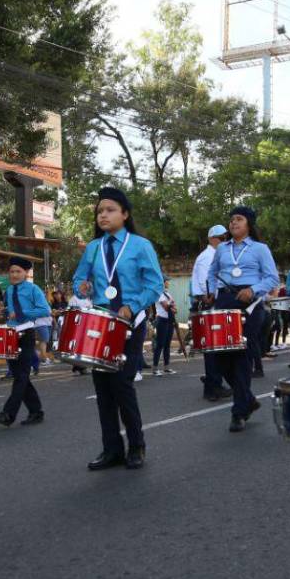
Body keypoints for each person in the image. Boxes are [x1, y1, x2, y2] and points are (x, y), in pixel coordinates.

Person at [73, 186, 164, 470]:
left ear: (125, 214)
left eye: (110, 210)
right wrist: (82, 286)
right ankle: (111, 449)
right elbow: (79, 279)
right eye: (100, 211)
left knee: (122, 385)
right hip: (101, 322)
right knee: (102, 389)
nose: (103, 215)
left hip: (129, 322)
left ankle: (136, 446)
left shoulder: (140, 245)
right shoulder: (93, 247)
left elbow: (155, 284)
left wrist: (133, 305)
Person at [207, 206, 280, 432]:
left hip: (250, 304)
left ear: (249, 224)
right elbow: (212, 272)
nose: (233, 223)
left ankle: (239, 412)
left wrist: (254, 289)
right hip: (225, 301)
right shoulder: (221, 249)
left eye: (238, 219)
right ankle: (247, 398)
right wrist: (210, 291)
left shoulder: (260, 249)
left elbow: (272, 278)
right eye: (231, 220)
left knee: (241, 355)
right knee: (220, 356)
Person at [0, 256, 50, 427]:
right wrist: (3, 311)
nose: (15, 275)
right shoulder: (9, 291)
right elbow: (10, 310)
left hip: (26, 334)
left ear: (26, 273)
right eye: (12, 271)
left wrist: (21, 312)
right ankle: (36, 411)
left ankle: (8, 414)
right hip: (11, 335)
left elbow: (44, 310)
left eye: (18, 271)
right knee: (20, 376)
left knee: (21, 376)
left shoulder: (33, 289)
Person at [191, 225, 231, 401]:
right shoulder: (207, 257)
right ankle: (212, 387)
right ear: (212, 239)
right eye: (222, 239)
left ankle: (214, 383)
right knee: (213, 348)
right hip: (210, 304)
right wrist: (211, 297)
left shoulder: (215, 255)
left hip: (214, 304)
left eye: (226, 238)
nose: (225, 241)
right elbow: (204, 282)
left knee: (217, 348)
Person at [151, 280, 177, 376]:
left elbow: (174, 308)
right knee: (160, 344)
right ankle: (155, 368)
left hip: (169, 320)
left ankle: (167, 367)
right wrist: (171, 305)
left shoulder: (168, 294)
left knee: (167, 344)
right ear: (162, 282)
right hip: (161, 320)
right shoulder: (159, 294)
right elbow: (167, 307)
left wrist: (172, 306)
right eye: (166, 281)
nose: (168, 283)